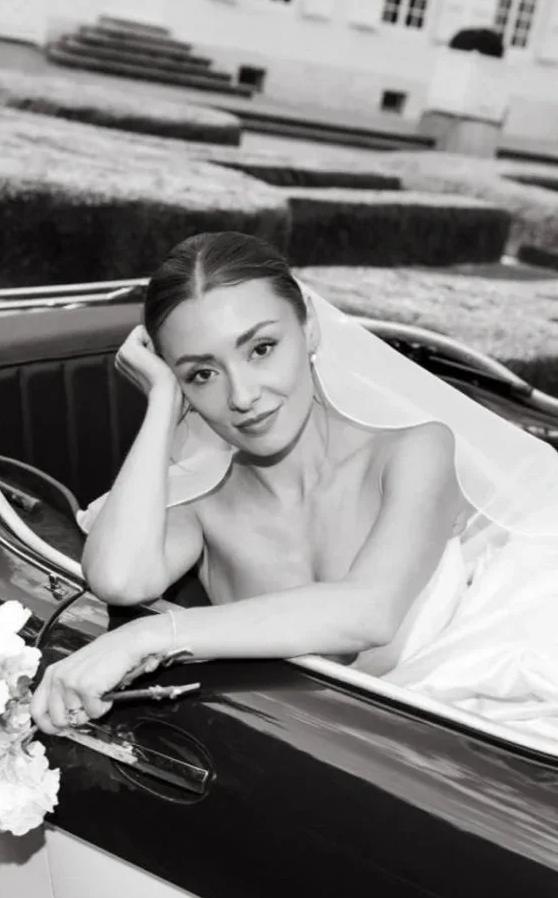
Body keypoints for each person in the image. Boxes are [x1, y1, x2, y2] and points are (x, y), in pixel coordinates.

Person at [31, 231, 558, 744]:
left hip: (485, 715)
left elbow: (368, 614)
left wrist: (152, 635)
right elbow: (119, 580)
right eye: (202, 375)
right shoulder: (200, 507)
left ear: (309, 328)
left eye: (261, 349)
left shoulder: (412, 451)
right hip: (333, 759)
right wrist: (161, 402)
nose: (242, 396)